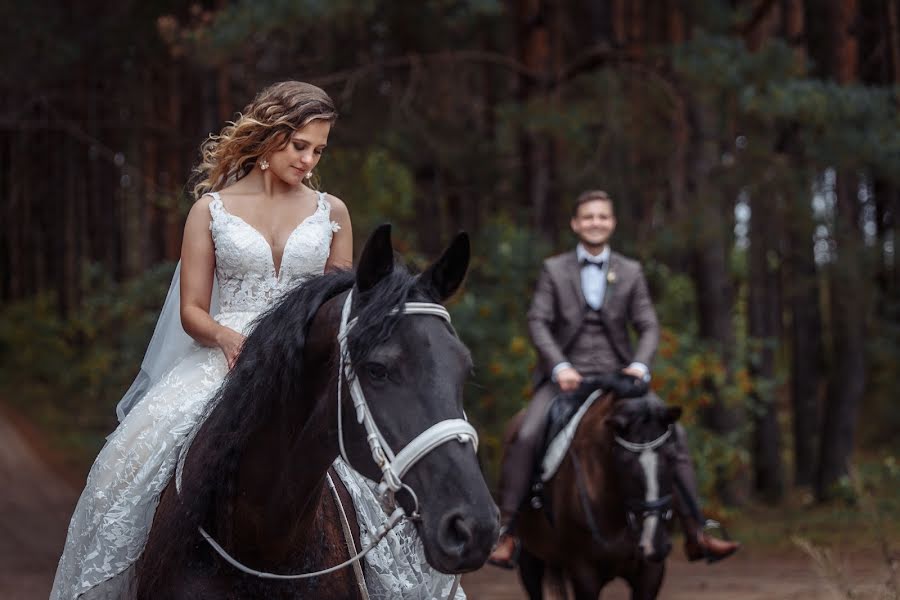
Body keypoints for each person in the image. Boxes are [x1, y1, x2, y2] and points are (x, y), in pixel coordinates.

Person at [52, 81, 464, 599]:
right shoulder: (210, 210)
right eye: (300, 146)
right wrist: (226, 339)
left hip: (306, 365)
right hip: (224, 355)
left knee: (377, 483)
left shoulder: (331, 212)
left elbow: (338, 306)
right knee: (126, 469)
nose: (309, 160)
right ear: (270, 136)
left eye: (319, 150)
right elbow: (192, 311)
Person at [487, 189, 740, 569]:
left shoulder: (632, 271)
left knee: (674, 433)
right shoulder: (554, 270)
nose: (595, 222)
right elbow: (538, 321)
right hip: (566, 379)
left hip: (619, 378)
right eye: (588, 217)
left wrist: (639, 365)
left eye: (602, 216)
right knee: (525, 433)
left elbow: (649, 325)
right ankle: (507, 531)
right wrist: (559, 367)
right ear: (575, 224)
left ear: (612, 223)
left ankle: (697, 530)